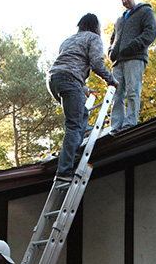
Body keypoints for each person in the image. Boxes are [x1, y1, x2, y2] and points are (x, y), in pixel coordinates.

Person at [47, 13, 119, 181]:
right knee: (73, 125)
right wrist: (112, 81)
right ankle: (64, 171)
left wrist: (85, 90)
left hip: (54, 80)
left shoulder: (69, 40)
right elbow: (97, 63)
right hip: (70, 81)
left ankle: (82, 137)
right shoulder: (93, 38)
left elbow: (69, 65)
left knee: (81, 116)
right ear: (95, 27)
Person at [108, 0, 156, 132]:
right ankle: (116, 126)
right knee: (116, 94)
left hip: (135, 58)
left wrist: (133, 45)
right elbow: (112, 39)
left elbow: (151, 33)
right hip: (118, 62)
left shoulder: (145, 12)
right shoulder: (119, 20)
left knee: (133, 91)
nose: (124, 0)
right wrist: (111, 52)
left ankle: (130, 123)